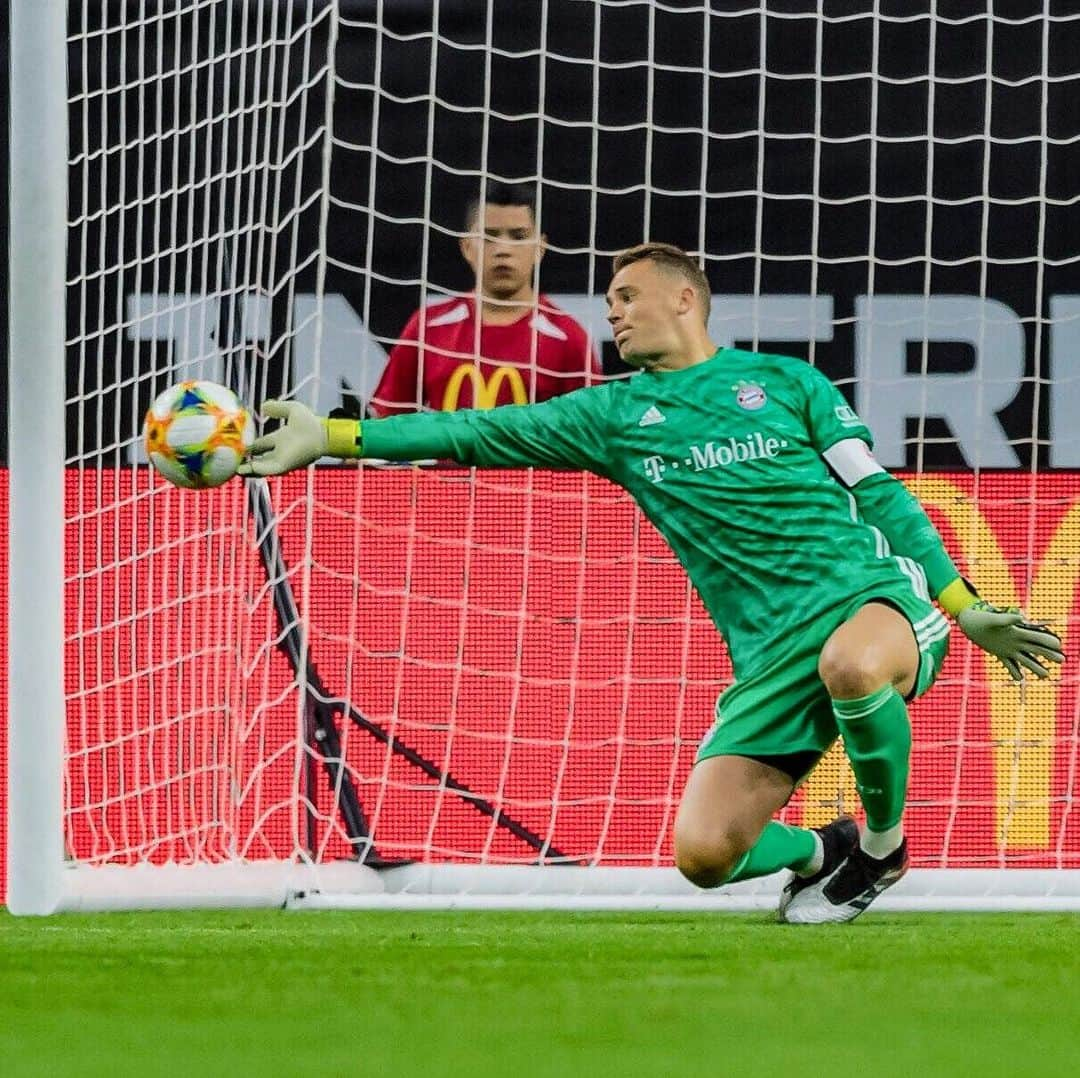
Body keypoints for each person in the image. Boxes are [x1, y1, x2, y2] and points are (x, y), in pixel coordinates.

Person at [239, 242, 1064, 923]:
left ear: (685, 300)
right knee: (706, 856)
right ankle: (829, 849)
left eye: (628, 296)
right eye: (609, 304)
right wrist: (335, 435)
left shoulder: (786, 384)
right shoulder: (614, 418)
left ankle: (884, 850)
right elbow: (479, 429)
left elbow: (879, 491)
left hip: (874, 605)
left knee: (851, 665)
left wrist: (968, 608)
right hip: (771, 654)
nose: (614, 314)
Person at [369, 181, 600, 416]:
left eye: (518, 236)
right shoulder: (428, 328)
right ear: (467, 247)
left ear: (540, 247)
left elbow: (591, 436)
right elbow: (386, 420)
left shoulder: (568, 339)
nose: (503, 249)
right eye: (488, 237)